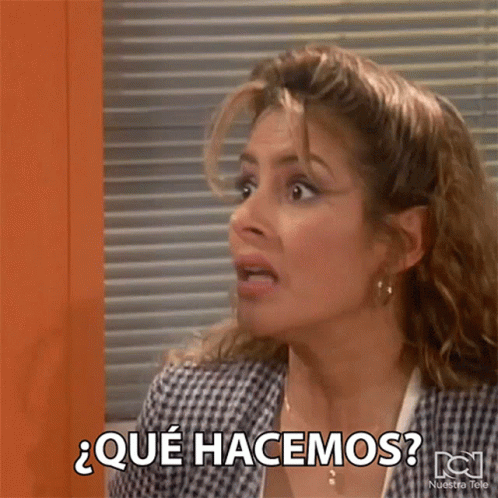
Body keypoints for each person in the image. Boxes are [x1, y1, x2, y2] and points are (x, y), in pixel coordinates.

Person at [109, 44, 498, 497]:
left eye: (300, 190)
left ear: (402, 242)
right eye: (247, 186)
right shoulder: (186, 417)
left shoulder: (483, 433)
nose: (243, 219)